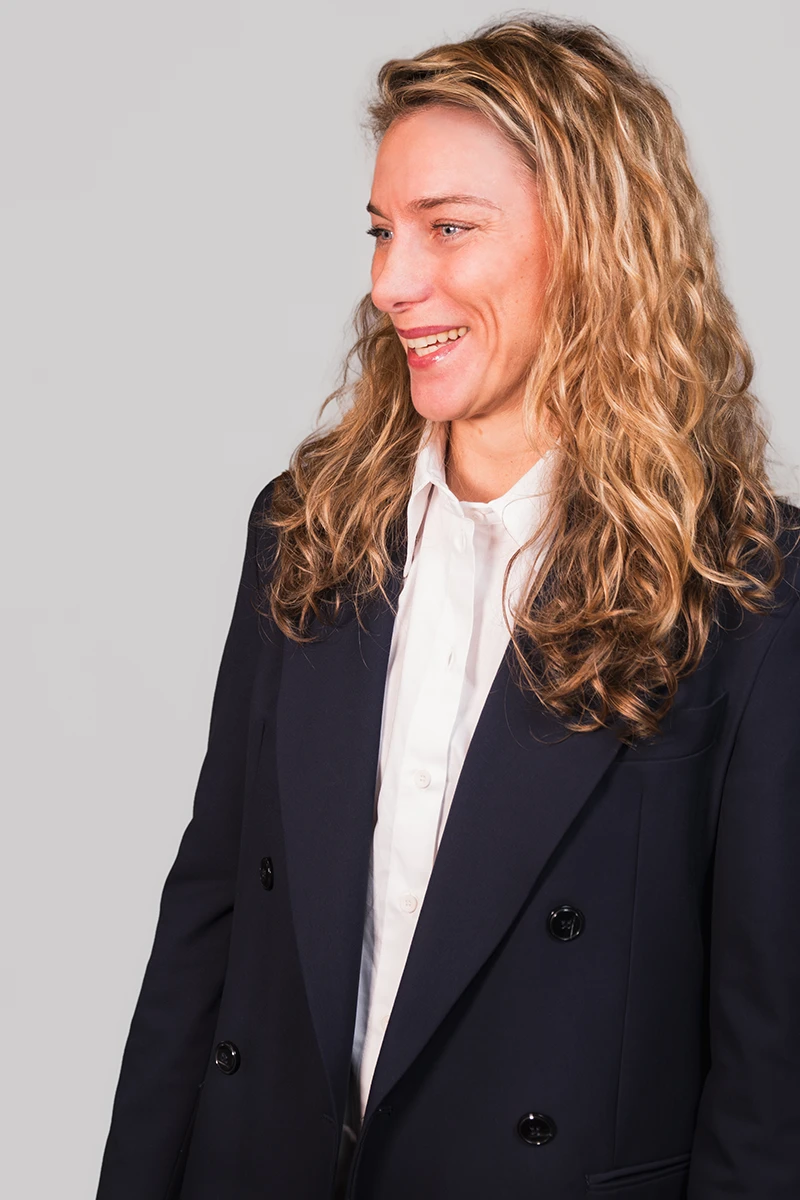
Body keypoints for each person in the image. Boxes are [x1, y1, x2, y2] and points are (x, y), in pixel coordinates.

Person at [95, 14, 800, 1200]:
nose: (388, 283)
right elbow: (208, 920)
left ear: (595, 243)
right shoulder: (305, 530)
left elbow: (769, 1068)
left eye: (447, 228)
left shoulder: (747, 588)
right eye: (381, 230)